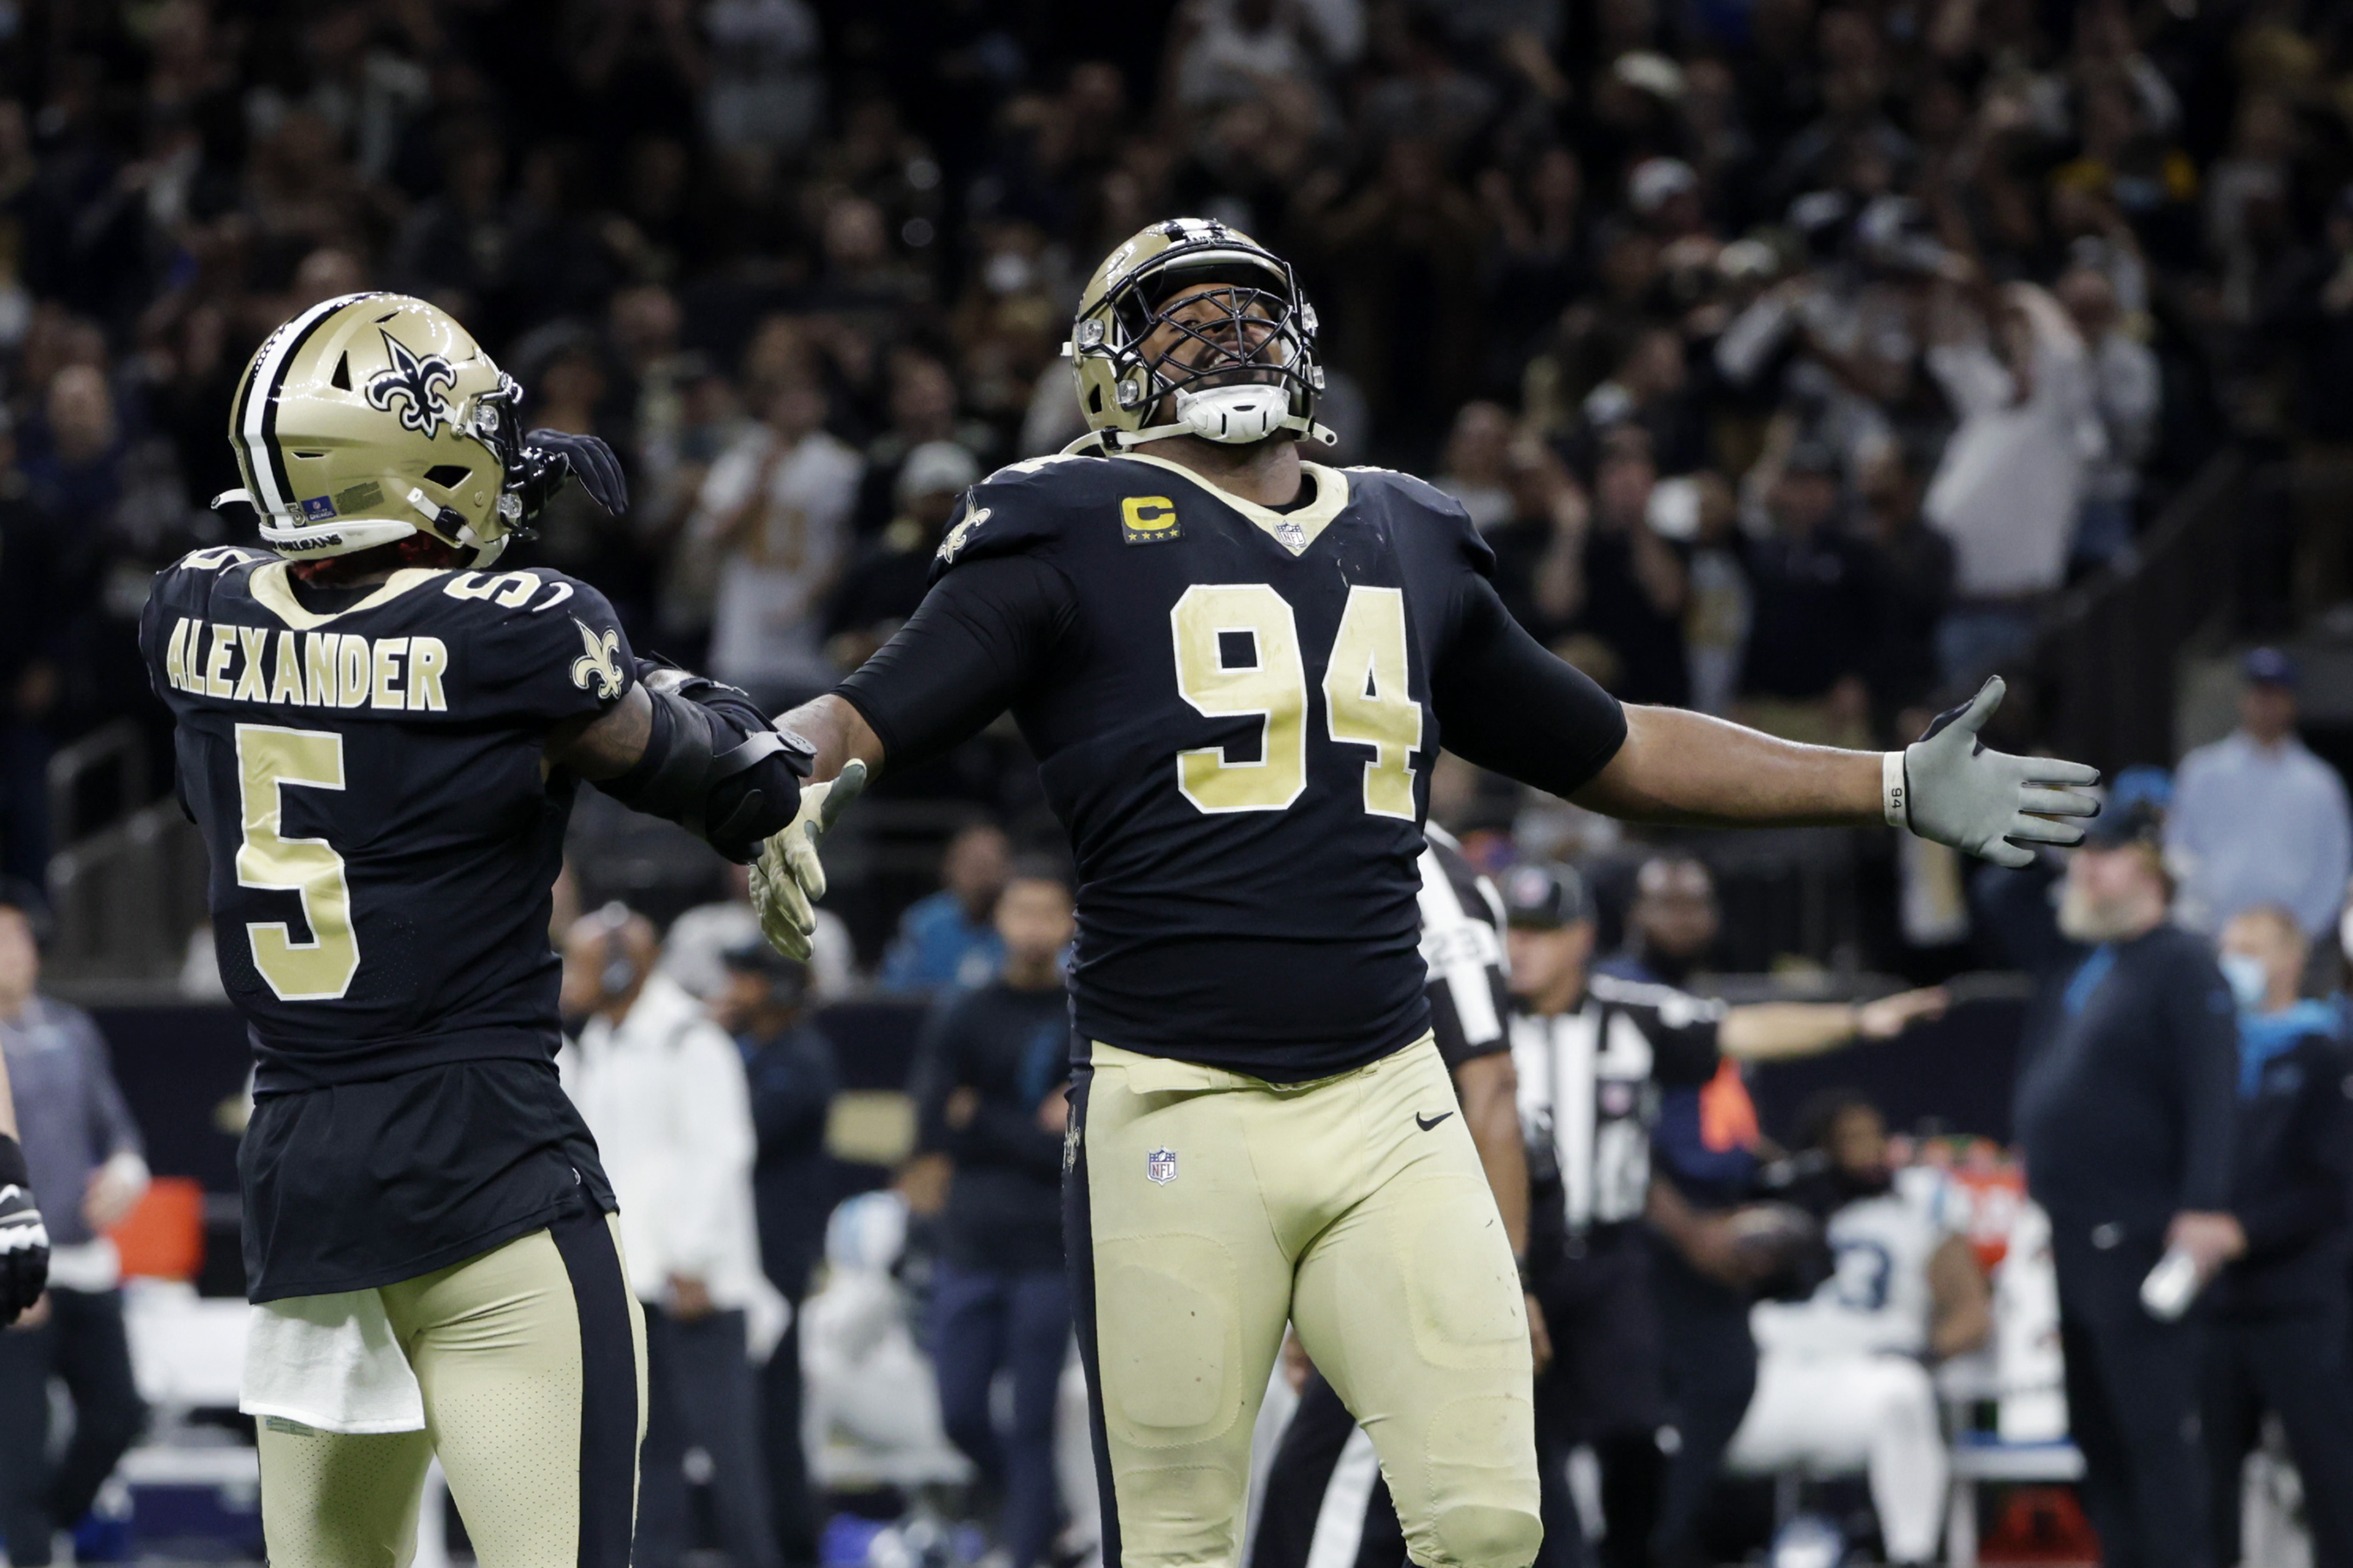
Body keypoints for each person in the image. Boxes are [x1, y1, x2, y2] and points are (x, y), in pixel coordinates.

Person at [748, 219, 2099, 1568]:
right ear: (1109, 369)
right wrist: (775, 773)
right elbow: (867, 710)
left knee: (1487, 1523)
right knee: (1176, 1543)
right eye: (1181, 315)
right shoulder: (1063, 521)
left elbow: (1613, 747)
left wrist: (1879, 783)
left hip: (1385, 1096)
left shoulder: (1404, 528)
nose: (1226, 335)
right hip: (1172, 1100)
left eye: (1249, 308)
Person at [137, 293, 813, 1568]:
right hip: (486, 1171)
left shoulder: (191, 612)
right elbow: (688, 763)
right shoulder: (525, 633)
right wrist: (753, 760)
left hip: (301, 1176)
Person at [1502, 863, 1946, 1568]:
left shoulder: (1629, 1013)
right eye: (1512, 932)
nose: (1520, 949)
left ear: (1581, 937)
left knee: (1634, 1433)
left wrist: (1856, 1019)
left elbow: (1741, 1029)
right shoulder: (1472, 1020)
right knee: (1514, 1440)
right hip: (1505, 1259)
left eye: (1540, 932)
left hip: (1612, 1256)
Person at [1251, 828, 1540, 1568]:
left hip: (1412, 1218)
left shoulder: (1419, 863)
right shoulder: (1316, 826)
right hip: (1343, 1215)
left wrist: (1507, 1281)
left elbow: (1489, 1083)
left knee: (1333, 1485)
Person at [2013, 800, 2241, 1568]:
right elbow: (1995, 898)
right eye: (2080, 856)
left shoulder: (2180, 960)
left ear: (2151, 874)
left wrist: (2204, 1204)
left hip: (2138, 1231)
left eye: (2102, 856)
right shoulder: (2083, 959)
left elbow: (2213, 1086)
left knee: (2153, 1436)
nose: (2083, 868)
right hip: (2073, 1232)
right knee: (2096, 1432)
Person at [560, 906, 784, 1568]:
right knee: (645, 1458)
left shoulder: (692, 1039)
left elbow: (722, 1152)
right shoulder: (599, 1040)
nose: (569, 978)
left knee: (730, 1456)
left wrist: (692, 1256)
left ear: (625, 966)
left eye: (581, 962)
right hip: (635, 1282)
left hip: (699, 1285)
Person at [1727, 1093, 1991, 1567]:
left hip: (1863, 1374)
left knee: (1902, 1391)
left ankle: (1911, 1555)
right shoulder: (1781, 1211)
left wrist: (1923, 1354)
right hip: (1773, 1371)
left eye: (1877, 1136)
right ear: (1819, 1151)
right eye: (1852, 1139)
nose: (1871, 1151)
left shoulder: (1918, 1212)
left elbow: (1972, 1314)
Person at [909, 857, 1078, 1568]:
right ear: (999, 920)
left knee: (1036, 1419)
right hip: (970, 1244)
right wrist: (1026, 1130)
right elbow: (933, 1128)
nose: (1034, 927)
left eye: (1048, 912)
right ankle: (1039, 1510)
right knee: (959, 1413)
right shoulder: (965, 1011)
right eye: (1021, 911)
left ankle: (1027, 1547)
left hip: (1049, 1248)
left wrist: (984, 1121)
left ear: (1071, 922)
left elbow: (1078, 1143)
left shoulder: (1086, 1014)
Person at [0, 888, 148, 1567]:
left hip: (83, 1261)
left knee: (118, 1412)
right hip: (17, 1271)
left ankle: (50, 1529)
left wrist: (124, 1170)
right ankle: (28, 1544)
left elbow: (116, 1128)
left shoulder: (71, 1028)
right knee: (18, 1450)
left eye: (18, 938)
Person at [2205, 906, 2353, 1568]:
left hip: (2301, 1300)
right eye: (2227, 946)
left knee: (2333, 1478)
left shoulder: (2328, 1052)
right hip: (2212, 1303)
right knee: (2202, 1489)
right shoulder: (2206, 1057)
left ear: (2289, 959)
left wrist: (2244, 1229)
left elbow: (2334, 1183)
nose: (2233, 960)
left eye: (2251, 947)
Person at [715, 938, 841, 1567]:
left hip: (778, 1258)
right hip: (732, 1254)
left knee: (773, 1409)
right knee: (737, 1408)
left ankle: (790, 1543)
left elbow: (736, 1135)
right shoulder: (737, 1050)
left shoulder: (803, 1060)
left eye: (749, 980)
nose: (734, 990)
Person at [2168, 648, 2353, 941]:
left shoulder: (2320, 784)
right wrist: (2202, 924)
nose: (2265, 704)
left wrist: (2301, 932)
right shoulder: (2202, 772)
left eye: (2275, 695)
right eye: (2258, 693)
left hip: (2293, 940)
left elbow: (2335, 866)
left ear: (2292, 702)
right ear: (2243, 698)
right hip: (2211, 938)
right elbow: (2180, 850)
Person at [877, 820, 1011, 995]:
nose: (982, 877)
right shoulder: (923, 922)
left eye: (990, 866)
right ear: (950, 869)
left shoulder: (1027, 919)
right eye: (973, 866)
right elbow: (893, 989)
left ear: (1008, 869)